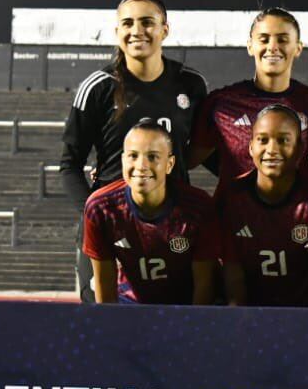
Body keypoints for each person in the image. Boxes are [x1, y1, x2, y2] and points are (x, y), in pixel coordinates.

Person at [61, 0, 208, 303]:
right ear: (117, 32)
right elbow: (70, 164)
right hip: (111, 226)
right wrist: (94, 219)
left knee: (180, 328)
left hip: (174, 228)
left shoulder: (191, 85)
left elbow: (205, 151)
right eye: (127, 23)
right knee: (105, 328)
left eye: (147, 22)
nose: (136, 30)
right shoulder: (98, 87)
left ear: (164, 30)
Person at [213, 106, 308, 307]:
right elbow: (232, 273)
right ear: (251, 147)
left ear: (300, 148)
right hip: (251, 314)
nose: (272, 150)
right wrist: (239, 322)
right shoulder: (231, 197)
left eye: (283, 140)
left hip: (304, 314)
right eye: (263, 140)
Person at [190, 8, 308, 187]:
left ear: (298, 48)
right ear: (250, 46)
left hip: (295, 214)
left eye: (282, 40)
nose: (272, 47)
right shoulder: (221, 103)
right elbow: (189, 159)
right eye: (264, 39)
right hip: (233, 214)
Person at [82, 119, 219, 305]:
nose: (141, 165)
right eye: (133, 156)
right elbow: (104, 284)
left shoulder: (198, 207)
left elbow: (204, 284)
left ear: (170, 164)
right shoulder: (101, 208)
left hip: (185, 307)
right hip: (130, 304)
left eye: (153, 157)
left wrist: (191, 328)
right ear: (122, 160)